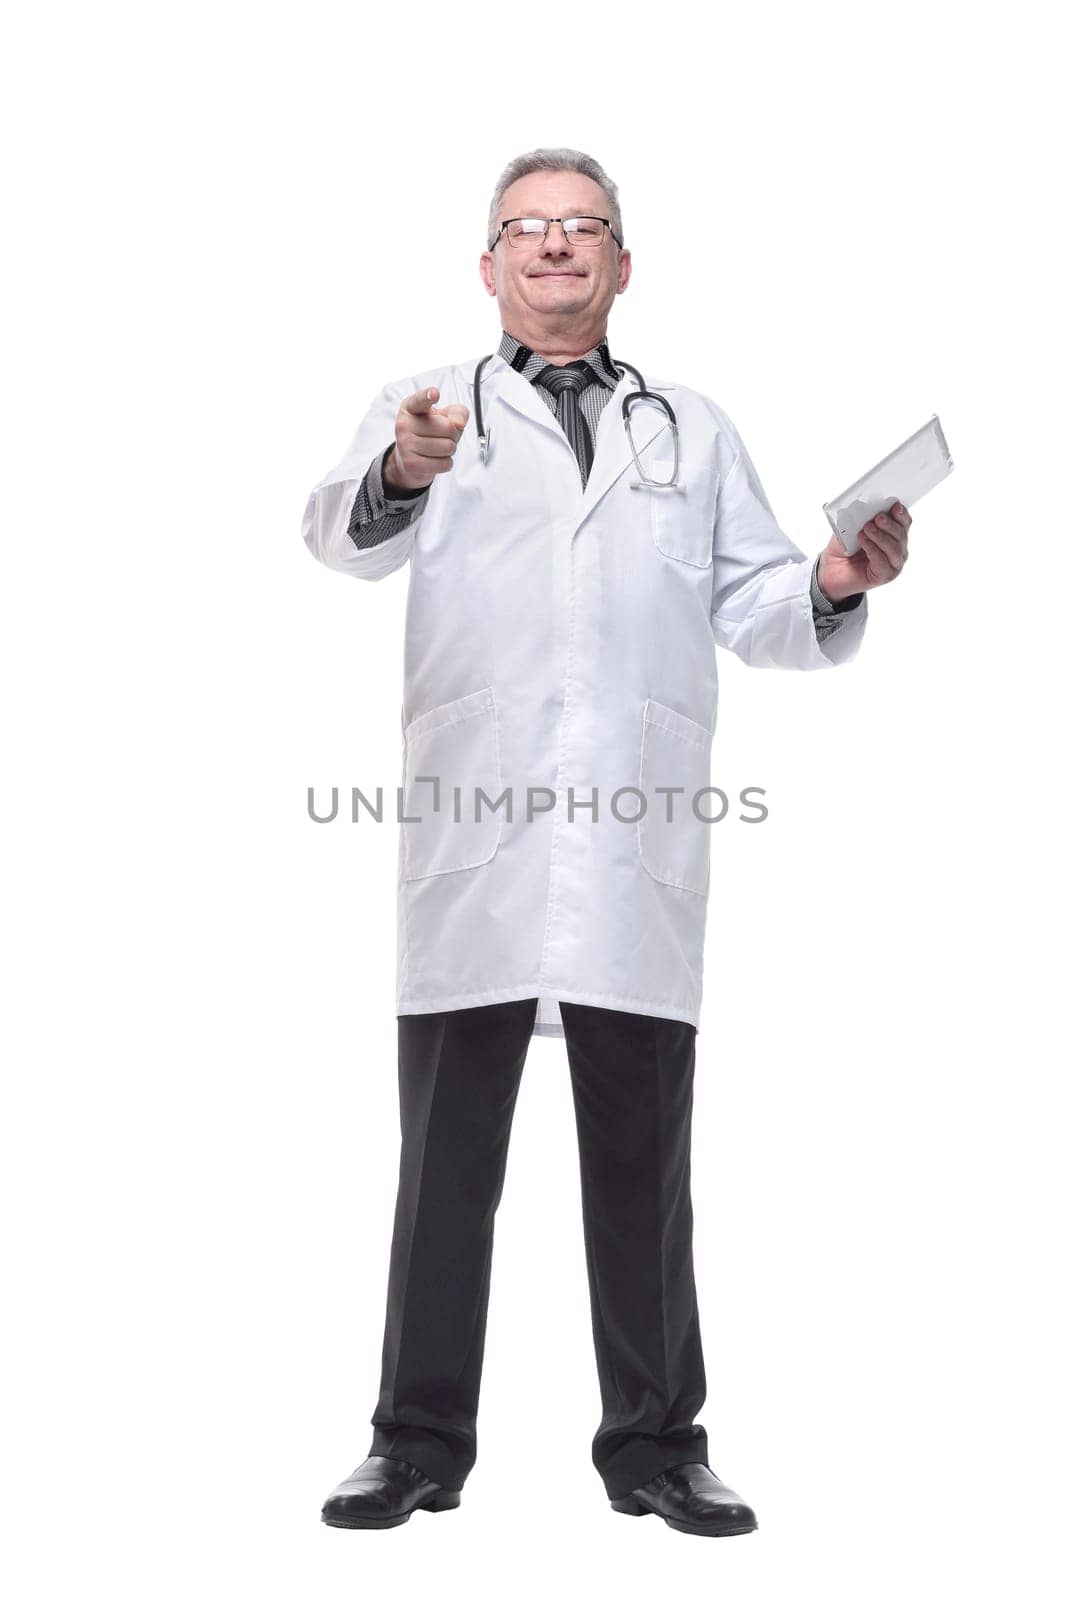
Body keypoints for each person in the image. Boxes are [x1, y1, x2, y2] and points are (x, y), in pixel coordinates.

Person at [301, 147, 911, 1537]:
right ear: (490, 266)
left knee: (644, 1162)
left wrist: (830, 579)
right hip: (480, 840)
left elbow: (760, 607)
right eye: (530, 229)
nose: (558, 248)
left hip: (634, 849)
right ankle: (414, 1444)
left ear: (624, 266)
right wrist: (401, 469)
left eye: (585, 230)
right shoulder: (432, 411)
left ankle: (655, 1446)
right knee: (444, 1164)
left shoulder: (691, 430)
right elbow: (341, 540)